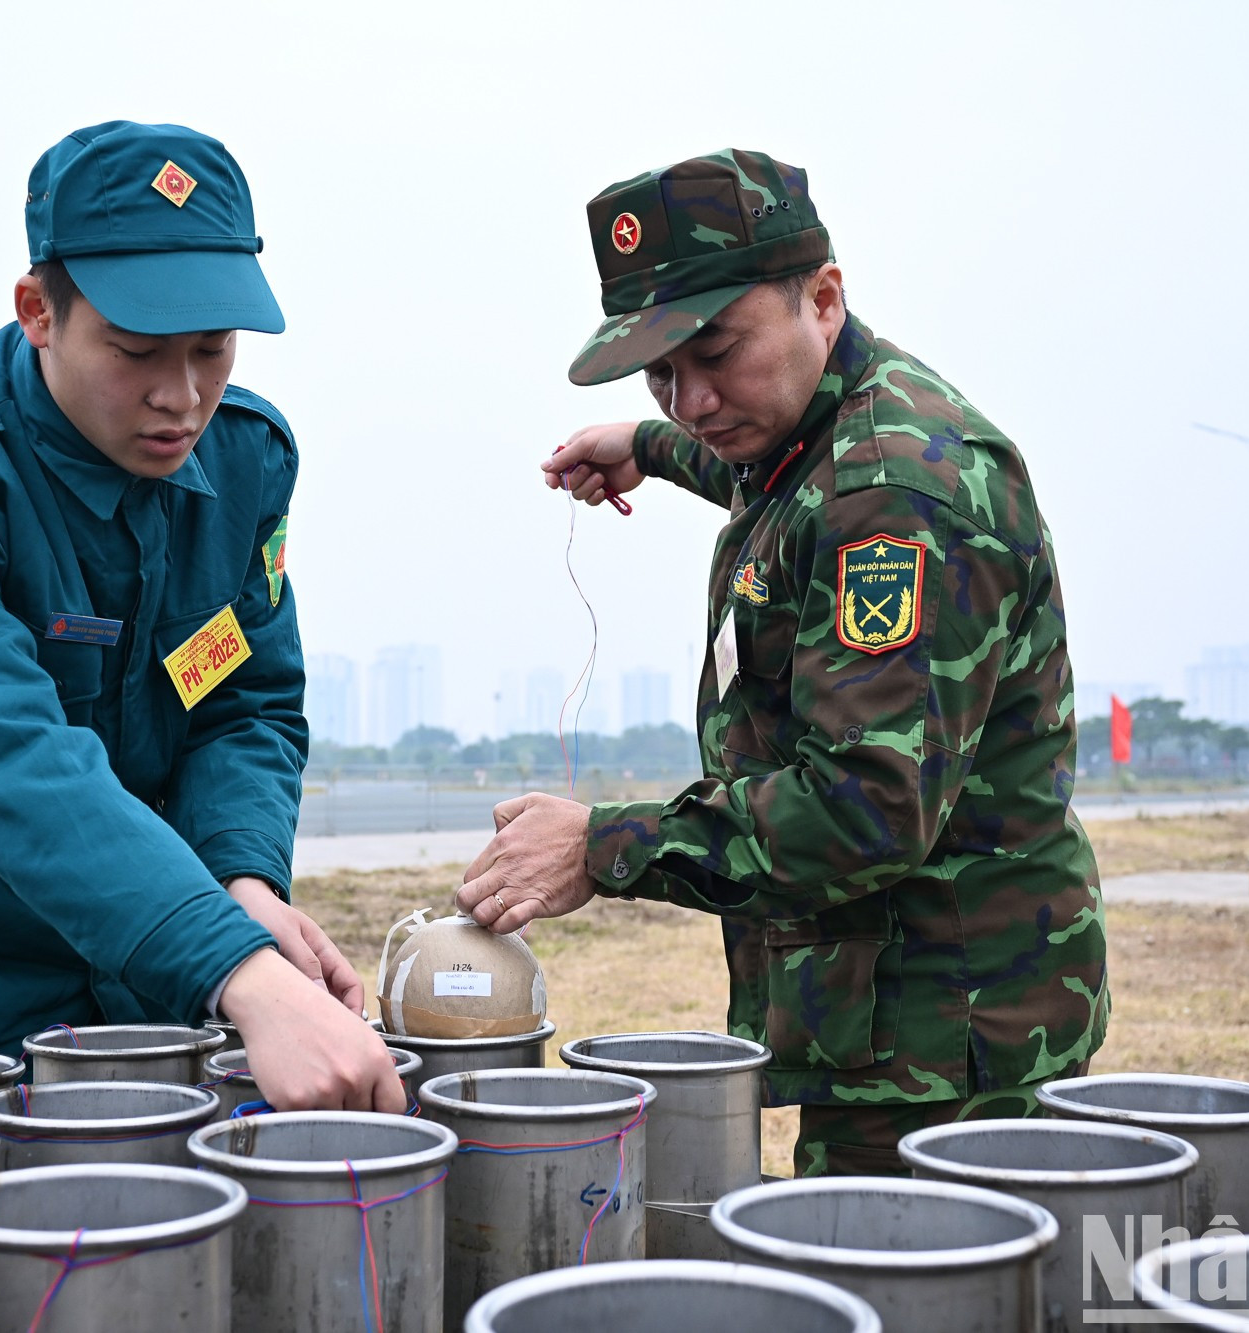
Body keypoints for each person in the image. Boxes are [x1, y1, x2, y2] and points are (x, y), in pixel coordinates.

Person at [456, 149, 1107, 1174]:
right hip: (884, 1007)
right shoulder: (810, 435)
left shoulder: (893, 495)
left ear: (823, 297)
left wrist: (603, 845)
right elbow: (769, 480)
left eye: (714, 352)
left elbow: (864, 807)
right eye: (659, 373)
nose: (694, 400)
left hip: (944, 1032)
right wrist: (643, 444)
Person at [0, 120, 402, 1113]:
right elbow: (0, 755)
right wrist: (239, 969)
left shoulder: (242, 461)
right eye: (135, 352)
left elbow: (240, 702)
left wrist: (241, 879)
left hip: (153, 971)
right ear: (39, 311)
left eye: (212, 350)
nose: (182, 398)